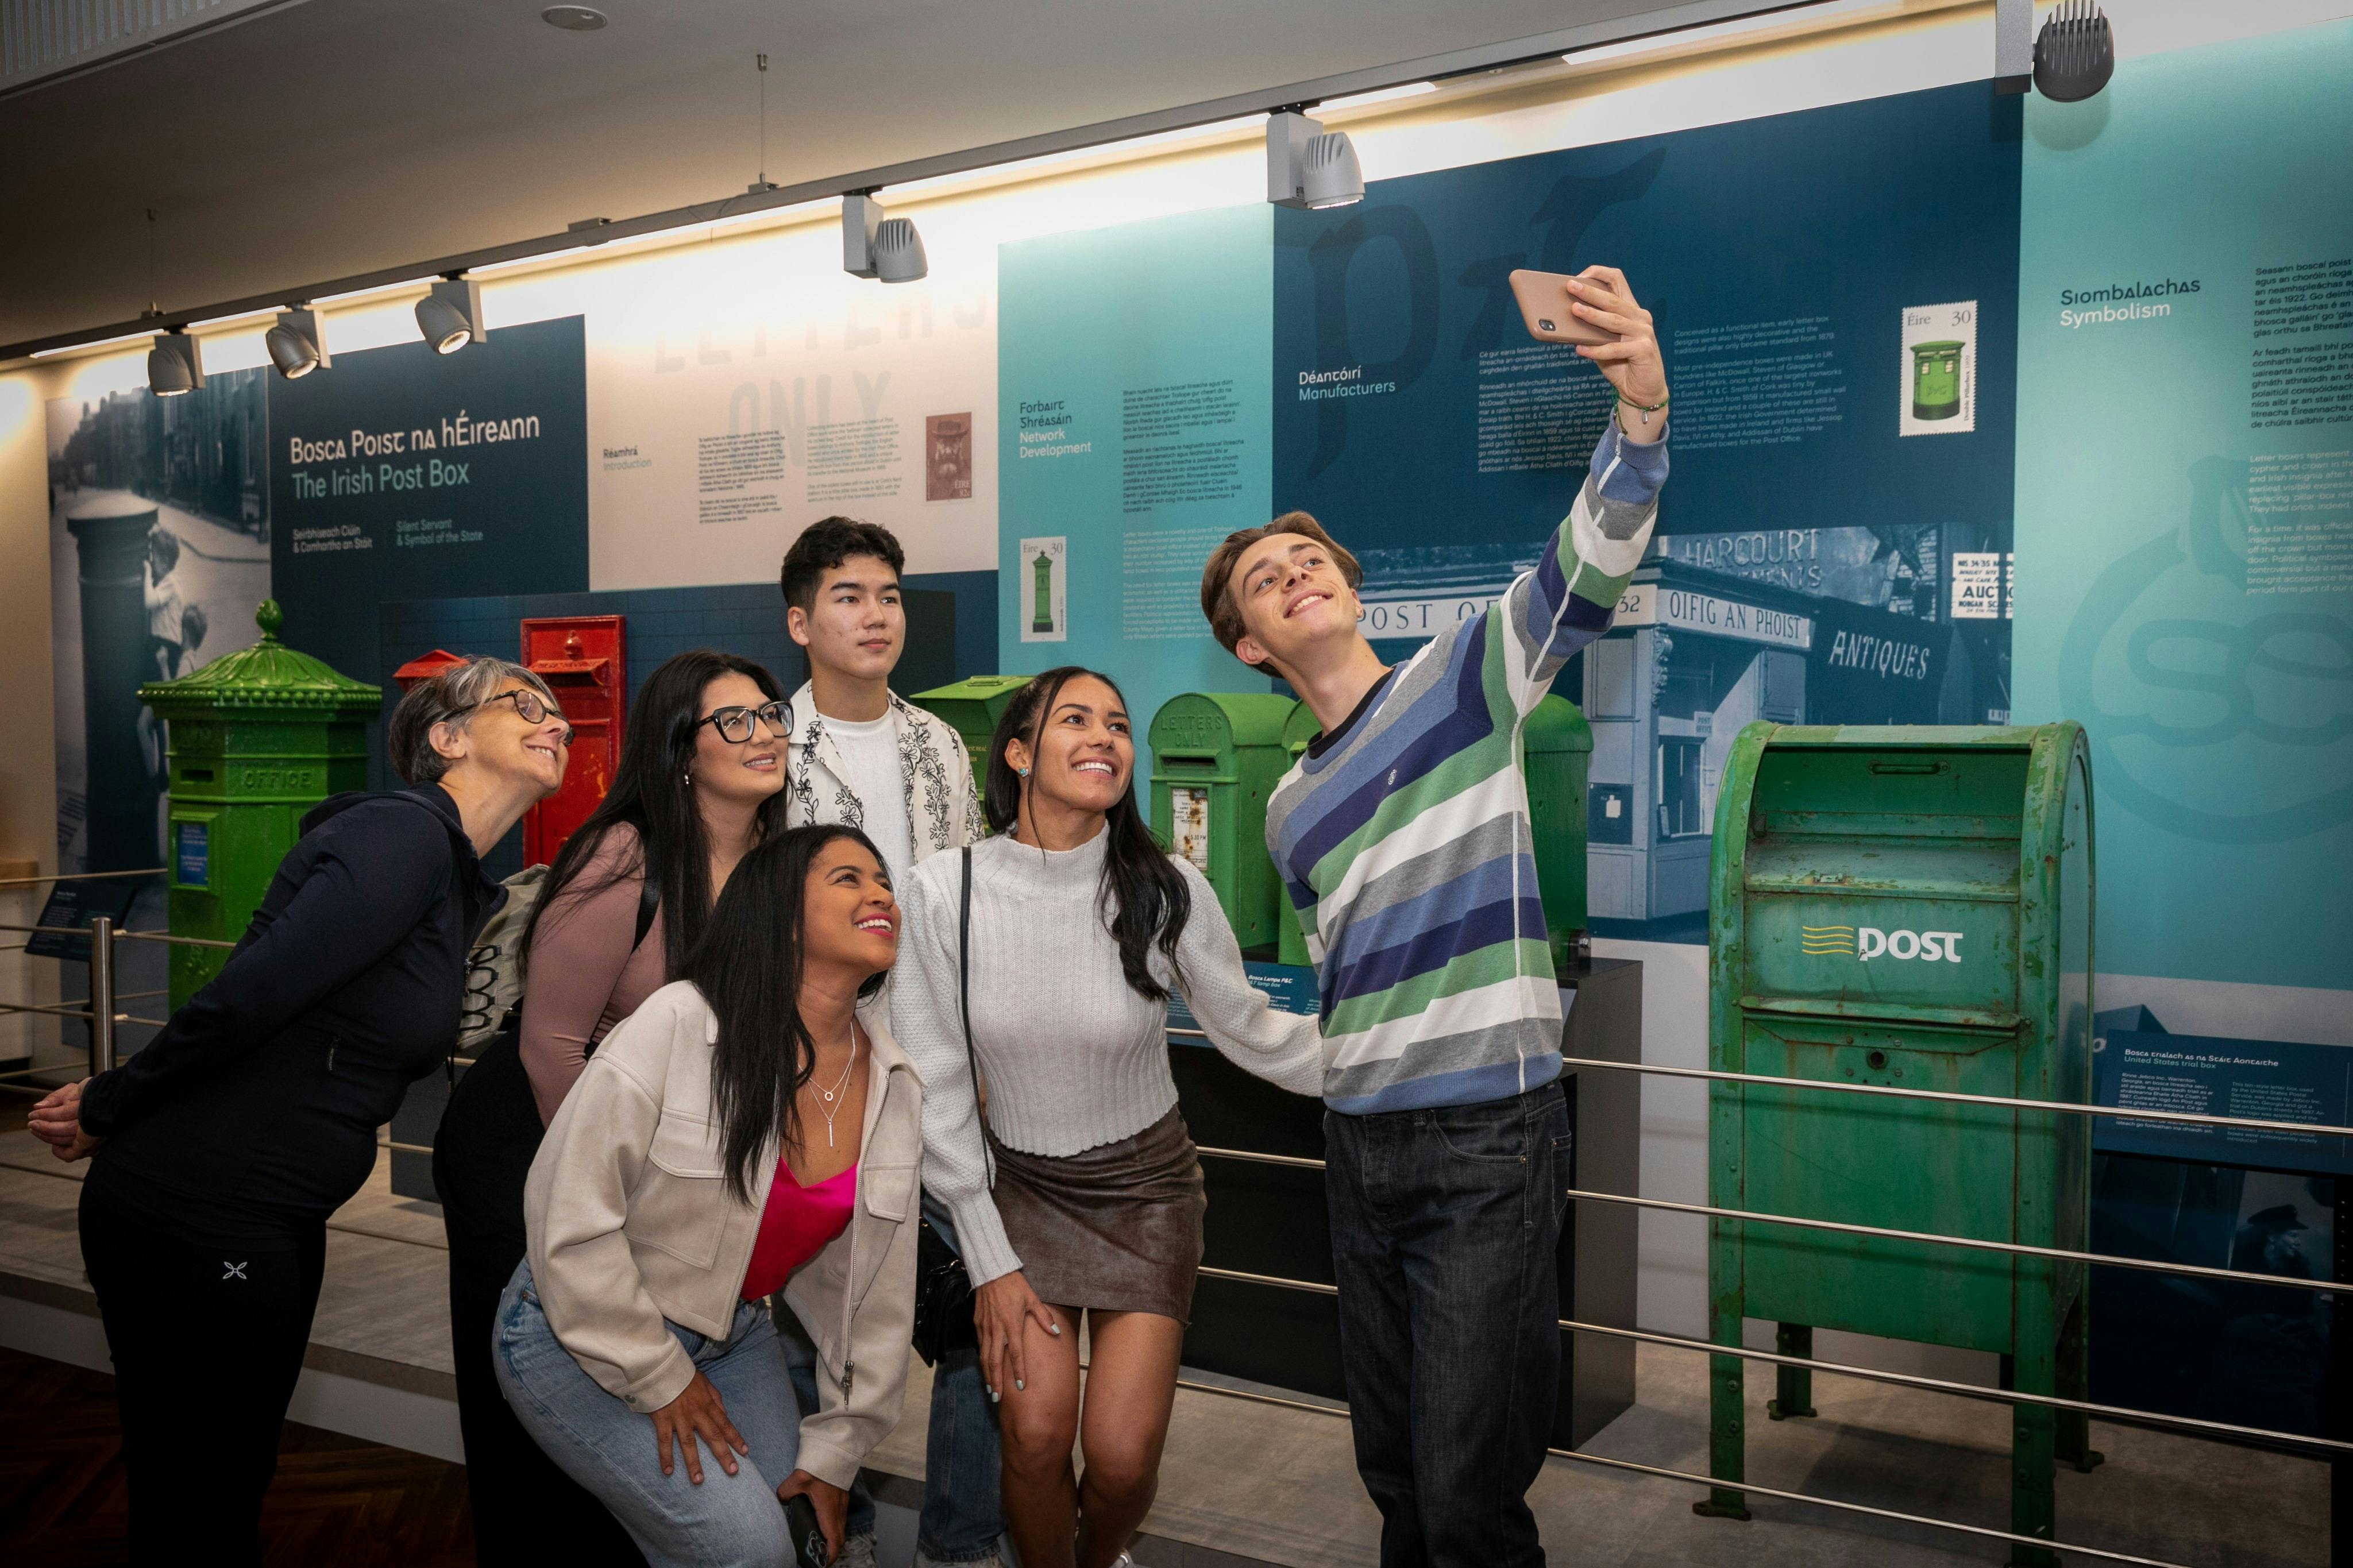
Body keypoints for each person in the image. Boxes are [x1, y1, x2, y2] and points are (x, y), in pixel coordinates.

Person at [1196, 264, 1670, 1568]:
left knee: (1468, 1490)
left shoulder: (1466, 678)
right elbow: (1342, 975)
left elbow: (1589, 559)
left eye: (1308, 560)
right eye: (1263, 582)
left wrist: (1637, 412)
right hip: (1359, 1150)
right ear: (1246, 646)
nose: (1292, 577)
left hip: (1483, 1143)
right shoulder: (1286, 806)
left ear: (1346, 586)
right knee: (1396, 1470)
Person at [27, 656, 569, 1563]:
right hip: (197, 1207)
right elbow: (249, 995)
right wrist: (113, 1101)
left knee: (221, 1486)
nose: (553, 721)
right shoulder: (402, 836)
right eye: (526, 704)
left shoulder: (456, 873)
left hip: (268, 1209)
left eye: (558, 709)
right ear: (447, 737)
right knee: (201, 1494)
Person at [890, 666, 1325, 1568]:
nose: (1105, 738)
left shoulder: (1165, 888)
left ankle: (1100, 1556)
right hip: (1016, 1195)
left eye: (1119, 725)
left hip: (1147, 1192)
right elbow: (933, 1080)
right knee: (1036, 1441)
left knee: (1122, 1464)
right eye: (1076, 720)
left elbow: (1252, 1028)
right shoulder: (942, 891)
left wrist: (1397, 1049)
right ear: (1017, 753)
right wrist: (985, 1249)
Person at [433, 648, 792, 1566]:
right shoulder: (625, 851)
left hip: (646, 1167)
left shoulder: (773, 865)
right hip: (529, 1143)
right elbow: (552, 1043)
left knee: (645, 1448)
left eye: (772, 713)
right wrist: (608, 1199)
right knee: (542, 1416)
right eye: (735, 720)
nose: (766, 734)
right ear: (681, 749)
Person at [493, 825, 921, 1568]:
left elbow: (876, 1297)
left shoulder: (896, 1081)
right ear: (780, 910)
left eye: (882, 879)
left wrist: (839, 1448)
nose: (879, 891)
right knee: (747, 1549)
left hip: (734, 1335)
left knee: (800, 1536)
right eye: (848, 877)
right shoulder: (684, 1022)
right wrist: (661, 1377)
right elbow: (567, 1212)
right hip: (580, 1324)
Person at [777, 515, 993, 1568]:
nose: (876, 614)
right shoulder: (768, 748)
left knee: (965, 1311)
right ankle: (836, 1532)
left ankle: (959, 1545)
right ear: (801, 620)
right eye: (851, 595)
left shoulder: (939, 743)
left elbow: (964, 906)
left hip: (931, 1065)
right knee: (810, 1317)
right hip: (805, 1067)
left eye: (890, 594)